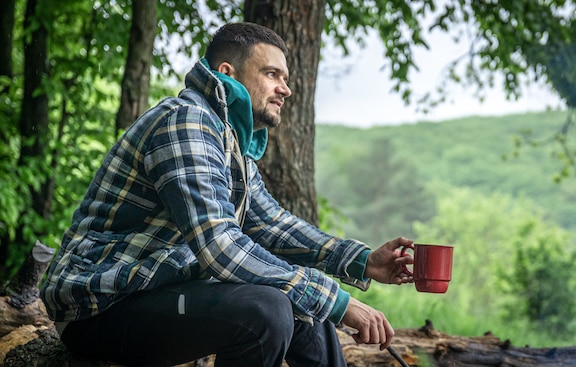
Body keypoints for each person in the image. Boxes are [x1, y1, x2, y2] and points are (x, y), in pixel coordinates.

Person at [40, 22, 414, 367]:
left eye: (285, 78)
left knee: (304, 307)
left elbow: (271, 224)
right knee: (268, 309)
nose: (285, 88)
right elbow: (220, 245)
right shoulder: (184, 121)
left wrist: (362, 261)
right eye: (271, 74)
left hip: (152, 288)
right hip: (98, 305)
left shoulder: (227, 140)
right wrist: (337, 301)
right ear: (226, 73)